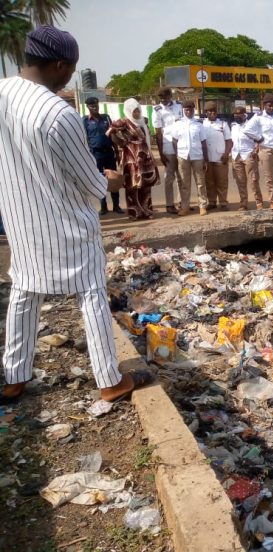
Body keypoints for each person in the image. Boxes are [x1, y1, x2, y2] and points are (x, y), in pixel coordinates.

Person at [0, 25, 149, 403]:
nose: (69, 79)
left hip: (19, 217)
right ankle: (109, 380)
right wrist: (112, 182)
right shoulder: (56, 113)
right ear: (60, 65)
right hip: (63, 223)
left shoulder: (2, 92)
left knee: (24, 291)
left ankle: (14, 376)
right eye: (70, 70)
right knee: (92, 293)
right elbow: (90, 182)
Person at [107, 98, 158, 220]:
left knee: (145, 185)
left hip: (145, 158)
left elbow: (147, 139)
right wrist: (122, 143)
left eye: (138, 111)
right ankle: (134, 213)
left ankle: (147, 211)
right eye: (134, 111)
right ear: (129, 111)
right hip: (131, 159)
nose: (136, 113)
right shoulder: (123, 122)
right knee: (132, 186)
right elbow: (109, 133)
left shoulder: (144, 121)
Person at [82, 96, 123, 216]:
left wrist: (117, 151)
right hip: (95, 154)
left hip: (109, 152)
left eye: (96, 105)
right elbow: (84, 139)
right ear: (88, 107)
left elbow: (112, 135)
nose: (95, 107)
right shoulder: (85, 121)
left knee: (114, 178)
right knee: (100, 180)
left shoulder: (106, 118)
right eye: (92, 106)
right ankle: (103, 207)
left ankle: (116, 205)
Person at [171, 101, 209, 216]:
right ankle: (185, 207)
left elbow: (203, 142)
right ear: (183, 110)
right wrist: (178, 154)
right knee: (184, 183)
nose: (189, 111)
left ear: (194, 110)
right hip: (183, 156)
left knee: (200, 182)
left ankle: (202, 206)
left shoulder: (199, 124)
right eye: (187, 109)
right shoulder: (177, 124)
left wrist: (205, 159)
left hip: (197, 156)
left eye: (191, 109)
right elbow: (174, 141)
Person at [153, 88, 183, 214]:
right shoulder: (157, 110)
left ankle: (183, 202)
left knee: (182, 176)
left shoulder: (179, 106)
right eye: (161, 98)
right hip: (168, 147)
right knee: (169, 178)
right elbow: (158, 133)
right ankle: (169, 205)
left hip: (181, 146)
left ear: (170, 96)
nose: (163, 100)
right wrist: (161, 153)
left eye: (165, 97)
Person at [230, 106, 263, 210]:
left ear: (244, 115)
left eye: (239, 115)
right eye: (235, 115)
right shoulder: (233, 126)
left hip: (249, 155)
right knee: (240, 181)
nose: (237, 117)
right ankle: (243, 203)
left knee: (253, 180)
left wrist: (256, 150)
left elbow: (260, 139)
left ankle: (259, 202)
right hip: (236, 156)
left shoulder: (251, 125)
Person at [202, 101, 232, 210]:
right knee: (209, 182)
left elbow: (229, 141)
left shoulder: (223, 124)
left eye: (214, 111)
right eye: (210, 111)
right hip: (207, 158)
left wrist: (226, 154)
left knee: (222, 181)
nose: (212, 113)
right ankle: (212, 202)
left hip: (220, 158)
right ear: (206, 112)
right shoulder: (202, 124)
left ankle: (223, 202)